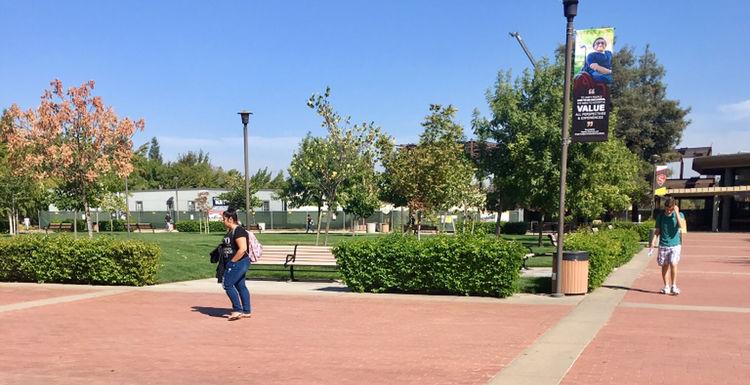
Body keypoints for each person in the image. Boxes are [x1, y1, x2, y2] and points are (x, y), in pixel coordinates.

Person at [220, 208, 252, 320]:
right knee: (240, 285)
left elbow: (243, 248)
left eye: (223, 219)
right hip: (235, 262)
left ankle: (237, 309)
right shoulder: (230, 231)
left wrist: (232, 262)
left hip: (239, 262)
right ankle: (246, 311)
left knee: (227, 284)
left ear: (230, 219)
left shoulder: (239, 231)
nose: (222, 221)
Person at [650, 197, 686, 295]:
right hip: (663, 244)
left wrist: (677, 212)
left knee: (673, 264)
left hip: (675, 245)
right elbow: (657, 231)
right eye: (666, 209)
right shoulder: (660, 216)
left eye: (670, 209)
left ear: (674, 207)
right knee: (665, 266)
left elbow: (681, 226)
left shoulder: (679, 215)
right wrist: (653, 242)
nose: (668, 211)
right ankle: (666, 286)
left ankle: (674, 286)